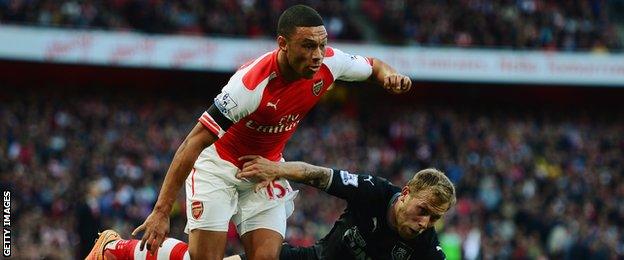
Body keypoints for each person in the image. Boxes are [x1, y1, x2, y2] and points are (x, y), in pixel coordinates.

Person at [85, 4, 412, 260]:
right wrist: (160, 211)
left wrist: (389, 76)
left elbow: (372, 65)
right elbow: (194, 141)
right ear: (282, 44)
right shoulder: (250, 85)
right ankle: (118, 249)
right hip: (219, 166)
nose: (316, 55)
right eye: (307, 46)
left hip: (264, 168)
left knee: (266, 257)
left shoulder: (329, 62)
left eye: (322, 45)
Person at [229, 155, 456, 260]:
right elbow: (318, 175)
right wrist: (276, 169)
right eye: (423, 210)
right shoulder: (373, 191)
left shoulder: (427, 248)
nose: (424, 223)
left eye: (435, 218)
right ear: (406, 194)